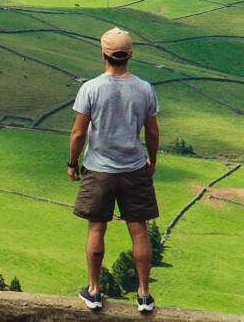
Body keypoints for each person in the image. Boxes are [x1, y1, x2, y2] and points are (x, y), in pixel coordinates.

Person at [67, 27, 160, 313]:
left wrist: (73, 163)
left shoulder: (91, 88)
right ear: (129, 55)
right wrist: (152, 161)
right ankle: (144, 295)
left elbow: (78, 133)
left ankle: (94, 291)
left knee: (97, 228)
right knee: (139, 231)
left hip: (98, 169)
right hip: (135, 168)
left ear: (104, 54)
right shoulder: (144, 88)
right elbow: (153, 133)